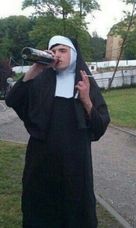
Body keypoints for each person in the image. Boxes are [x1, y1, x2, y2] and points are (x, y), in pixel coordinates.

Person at [5, 35, 110, 228]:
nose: (57, 55)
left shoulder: (86, 84)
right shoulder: (41, 79)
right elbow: (12, 100)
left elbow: (100, 126)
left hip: (75, 165)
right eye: (53, 51)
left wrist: (86, 100)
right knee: (40, 209)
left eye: (63, 50)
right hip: (41, 162)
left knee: (74, 210)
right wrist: (36, 68)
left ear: (74, 55)